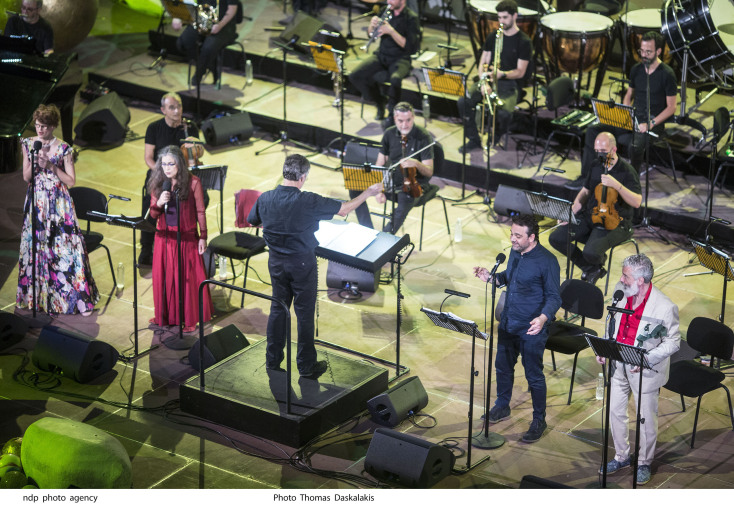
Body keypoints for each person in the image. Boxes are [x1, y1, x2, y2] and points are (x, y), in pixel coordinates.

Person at [248, 154, 382, 378]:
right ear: (302, 177)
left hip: (276, 262)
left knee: (278, 309)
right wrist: (368, 193)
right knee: (304, 313)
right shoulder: (307, 200)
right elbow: (344, 209)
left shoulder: (265, 198)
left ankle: (272, 360)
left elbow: (253, 220)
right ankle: (306, 366)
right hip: (302, 263)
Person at [474, 214, 561, 442]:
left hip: (531, 328)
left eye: (518, 235)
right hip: (508, 322)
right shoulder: (514, 252)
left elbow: (554, 297)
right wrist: (491, 277)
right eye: (512, 234)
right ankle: (502, 405)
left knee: (534, 376)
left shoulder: (547, 261)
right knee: (502, 367)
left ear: (532, 238)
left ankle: (539, 420)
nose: (512, 239)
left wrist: (542, 318)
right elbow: (508, 277)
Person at [597, 253, 680, 485]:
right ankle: (621, 456)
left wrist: (646, 358)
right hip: (618, 364)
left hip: (644, 370)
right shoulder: (621, 292)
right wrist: (604, 347)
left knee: (645, 418)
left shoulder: (665, 307)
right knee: (615, 411)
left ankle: (644, 461)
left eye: (626, 276)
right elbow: (611, 322)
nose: (621, 279)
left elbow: (674, 342)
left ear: (640, 280)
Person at [16, 104, 99, 315]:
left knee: (65, 249)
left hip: (59, 202)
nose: (40, 130)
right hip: (37, 201)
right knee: (36, 247)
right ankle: (38, 299)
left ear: (53, 126)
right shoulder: (28, 144)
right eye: (37, 125)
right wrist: (34, 162)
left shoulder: (64, 148)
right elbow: (26, 177)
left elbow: (70, 181)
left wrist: (51, 167)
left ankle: (77, 301)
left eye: (44, 126)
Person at [567, 31, 676, 189]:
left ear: (658, 51)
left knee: (635, 145)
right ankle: (587, 177)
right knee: (592, 131)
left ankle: (631, 183)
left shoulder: (667, 74)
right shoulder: (637, 69)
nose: (643, 55)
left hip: (653, 123)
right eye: (641, 51)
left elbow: (671, 107)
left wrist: (650, 124)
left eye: (648, 52)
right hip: (632, 118)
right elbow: (629, 95)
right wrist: (626, 112)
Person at [549, 132, 641, 285]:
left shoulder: (627, 171)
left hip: (616, 222)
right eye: (597, 151)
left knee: (591, 252)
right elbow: (585, 192)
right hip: (591, 215)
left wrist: (617, 185)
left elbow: (637, 202)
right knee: (556, 238)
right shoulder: (595, 165)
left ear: (614, 149)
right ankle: (592, 268)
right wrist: (570, 212)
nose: (600, 155)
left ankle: (594, 259)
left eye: (603, 151)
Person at [147, 146, 213, 333]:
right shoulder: (159, 182)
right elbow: (153, 214)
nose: (167, 168)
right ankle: (167, 316)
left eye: (171, 164)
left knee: (186, 280)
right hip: (164, 239)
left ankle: (188, 318)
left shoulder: (193, 182)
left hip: (186, 239)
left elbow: (200, 211)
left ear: (180, 164)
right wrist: (160, 202)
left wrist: (203, 236)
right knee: (166, 279)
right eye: (164, 164)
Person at [457, 0, 532, 153]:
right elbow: (483, 62)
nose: (501, 21)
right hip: (488, 80)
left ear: (514, 16)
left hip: (510, 85)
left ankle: (495, 136)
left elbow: (520, 72)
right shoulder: (494, 36)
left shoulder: (524, 41)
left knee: (504, 113)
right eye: (499, 17)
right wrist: (484, 83)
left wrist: (502, 74)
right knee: (463, 101)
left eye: (505, 17)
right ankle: (474, 139)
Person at [348, 102, 433, 233]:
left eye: (408, 120)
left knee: (406, 197)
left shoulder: (423, 137)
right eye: (400, 121)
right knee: (355, 188)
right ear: (394, 119)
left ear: (413, 117)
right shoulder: (389, 133)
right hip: (392, 179)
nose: (404, 125)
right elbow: (380, 164)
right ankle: (367, 230)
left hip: (415, 184)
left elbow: (429, 172)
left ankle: (386, 235)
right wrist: (379, 189)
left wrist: (416, 163)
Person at [140, 92, 200, 266]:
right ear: (163, 110)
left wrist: (194, 144)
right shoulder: (154, 128)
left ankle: (192, 239)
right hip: (160, 174)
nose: (176, 111)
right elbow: (148, 158)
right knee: (150, 203)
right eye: (172, 107)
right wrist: (164, 172)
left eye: (179, 106)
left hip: (182, 176)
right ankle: (146, 247)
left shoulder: (190, 127)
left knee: (201, 198)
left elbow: (197, 155)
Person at [348, 0, 419, 126]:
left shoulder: (411, 18)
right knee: (355, 75)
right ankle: (379, 100)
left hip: (401, 58)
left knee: (395, 79)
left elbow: (410, 48)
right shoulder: (384, 11)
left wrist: (391, 31)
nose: (389, 1)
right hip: (382, 55)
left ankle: (392, 115)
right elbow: (372, 35)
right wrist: (371, 26)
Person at [173, 0, 241, 86]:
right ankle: (210, 64)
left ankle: (199, 73)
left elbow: (232, 9)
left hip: (224, 25)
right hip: (202, 19)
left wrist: (219, 25)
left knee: (208, 48)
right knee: (183, 43)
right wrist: (179, 18)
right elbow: (189, 3)